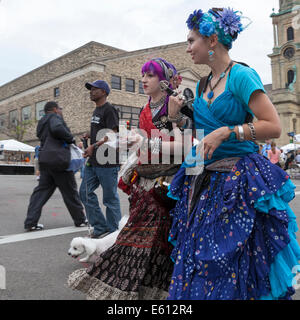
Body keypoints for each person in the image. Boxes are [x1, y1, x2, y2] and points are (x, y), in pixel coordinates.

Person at [166, 7, 300, 300]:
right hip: (205, 183)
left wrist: (229, 131)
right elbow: (201, 139)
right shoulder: (202, 85)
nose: (188, 48)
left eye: (192, 41)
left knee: (239, 261)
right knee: (201, 260)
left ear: (212, 41)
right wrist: (176, 119)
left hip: (239, 182)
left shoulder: (242, 75)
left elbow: (273, 126)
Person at [68, 58, 186, 300]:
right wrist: (133, 141)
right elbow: (147, 145)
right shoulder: (145, 109)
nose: (143, 80)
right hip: (145, 181)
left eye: (150, 75)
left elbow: (183, 148)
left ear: (164, 80)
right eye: (143, 75)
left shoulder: (176, 105)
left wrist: (144, 142)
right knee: (136, 238)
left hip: (166, 185)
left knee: (156, 242)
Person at [24, 101, 87, 231]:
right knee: (70, 192)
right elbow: (58, 129)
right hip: (59, 161)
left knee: (41, 192)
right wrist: (70, 139)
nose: (61, 111)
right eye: (60, 109)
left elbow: (41, 136)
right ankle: (80, 220)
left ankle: (31, 222)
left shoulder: (41, 122)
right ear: (54, 109)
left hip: (46, 160)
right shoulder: (54, 117)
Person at [79, 80, 122, 239]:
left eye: (94, 89)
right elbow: (101, 130)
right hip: (94, 161)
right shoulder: (96, 111)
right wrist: (89, 135)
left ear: (103, 92)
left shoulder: (109, 109)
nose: (91, 91)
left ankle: (115, 233)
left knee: (110, 198)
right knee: (84, 192)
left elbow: (112, 133)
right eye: (90, 89)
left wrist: (93, 146)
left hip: (107, 161)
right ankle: (100, 226)